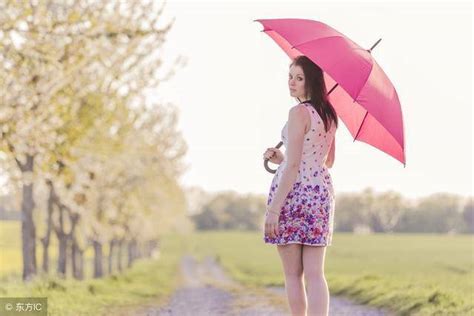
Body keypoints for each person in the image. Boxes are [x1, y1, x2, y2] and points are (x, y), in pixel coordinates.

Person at [262, 55, 338, 316]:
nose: (292, 83)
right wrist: (281, 159)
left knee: (293, 275)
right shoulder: (329, 115)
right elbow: (327, 160)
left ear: (312, 82)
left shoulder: (297, 113)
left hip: (294, 197)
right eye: (290, 76)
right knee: (316, 275)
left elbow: (294, 168)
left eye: (299, 78)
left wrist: (273, 210)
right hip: (320, 195)